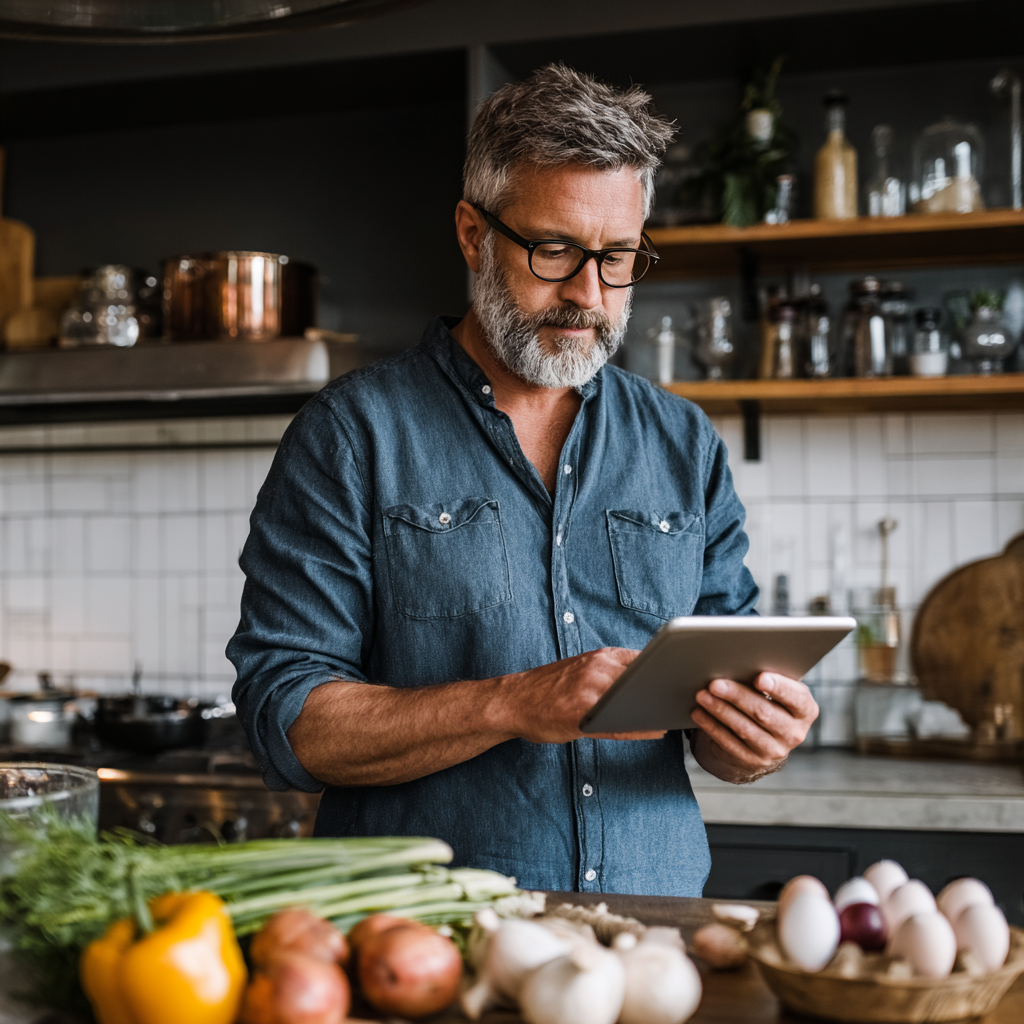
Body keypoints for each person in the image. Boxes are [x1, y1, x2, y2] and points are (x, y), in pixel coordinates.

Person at [228, 64, 818, 895]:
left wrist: (752, 736)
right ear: (473, 235)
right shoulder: (351, 435)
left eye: (618, 257)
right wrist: (510, 703)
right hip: (434, 941)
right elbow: (285, 719)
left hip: (650, 938)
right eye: (555, 251)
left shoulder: (684, 442)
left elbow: (719, 711)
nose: (589, 293)